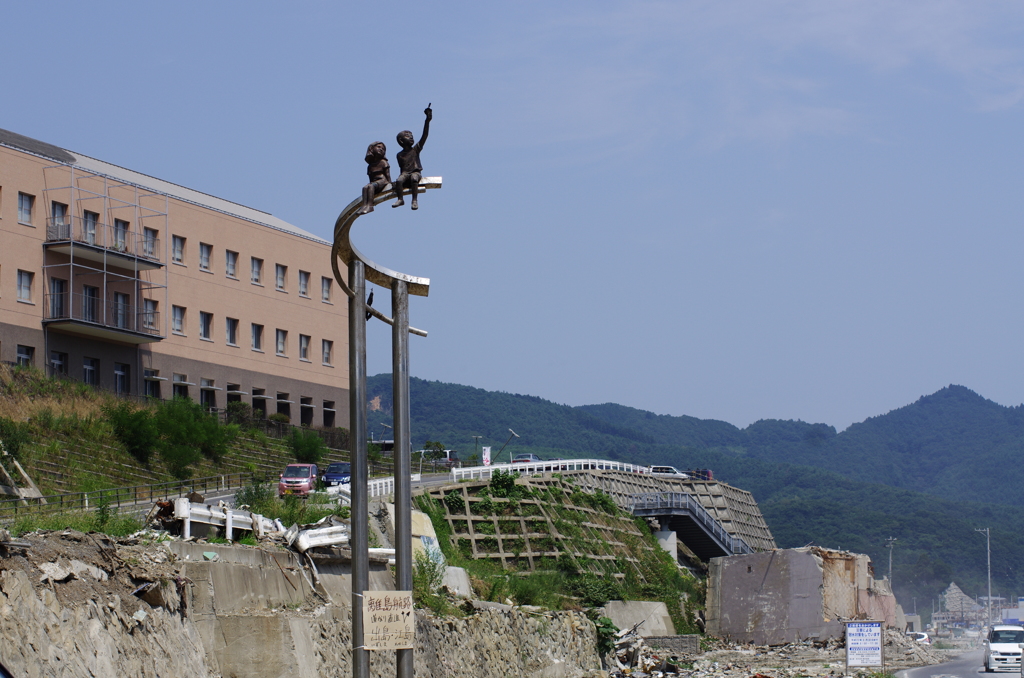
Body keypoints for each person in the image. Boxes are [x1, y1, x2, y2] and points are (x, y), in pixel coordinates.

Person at [392, 105, 432, 210]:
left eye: (411, 135)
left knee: (414, 178)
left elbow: (425, 135)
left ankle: (414, 200)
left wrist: (427, 120)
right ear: (401, 141)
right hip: (405, 174)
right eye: (407, 135)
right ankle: (400, 199)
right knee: (399, 181)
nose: (410, 136)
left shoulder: (415, 150)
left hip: (415, 172)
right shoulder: (399, 155)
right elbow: (402, 171)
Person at [359, 141, 390, 215]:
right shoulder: (370, 166)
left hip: (382, 180)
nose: (381, 149)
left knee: (371, 186)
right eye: (379, 147)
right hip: (375, 182)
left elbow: (387, 174)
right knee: (365, 187)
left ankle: (370, 206)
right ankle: (364, 205)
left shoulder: (383, 162)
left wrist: (390, 184)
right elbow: (371, 178)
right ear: (371, 149)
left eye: (383, 149)